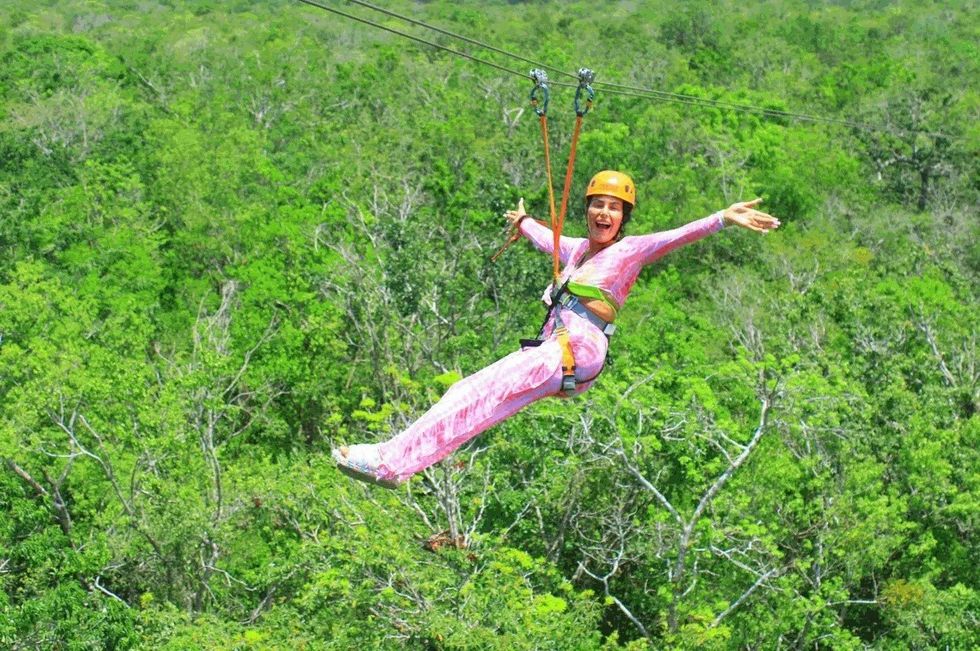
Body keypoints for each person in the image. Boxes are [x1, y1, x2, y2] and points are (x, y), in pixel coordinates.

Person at [333, 171, 780, 488]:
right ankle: (397, 466)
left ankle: (389, 460)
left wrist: (723, 217)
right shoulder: (577, 249)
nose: (605, 213)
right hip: (557, 352)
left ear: (624, 218)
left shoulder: (631, 251)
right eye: (598, 205)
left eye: (614, 208)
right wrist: (522, 223)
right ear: (588, 211)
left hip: (575, 351)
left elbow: (677, 235)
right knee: (470, 395)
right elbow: (544, 237)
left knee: (481, 391)